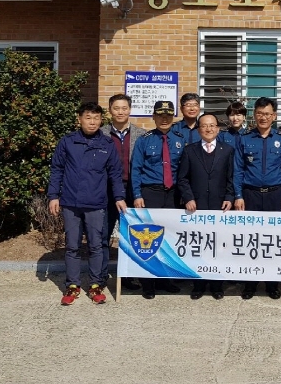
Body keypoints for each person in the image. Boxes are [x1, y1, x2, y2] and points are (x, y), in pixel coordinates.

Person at [48, 102, 126, 305]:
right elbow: (57, 169)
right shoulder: (68, 142)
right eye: (88, 118)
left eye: (96, 118)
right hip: (71, 203)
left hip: (96, 203)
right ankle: (72, 285)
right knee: (72, 246)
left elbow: (115, 173)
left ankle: (95, 285)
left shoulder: (107, 144)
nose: (92, 122)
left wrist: (119, 197)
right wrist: (53, 196)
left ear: (101, 120)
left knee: (96, 245)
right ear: (79, 119)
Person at [234, 97, 281, 300]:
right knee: (251, 239)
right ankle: (250, 283)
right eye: (259, 113)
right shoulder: (245, 139)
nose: (263, 117)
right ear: (254, 115)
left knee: (273, 240)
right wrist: (238, 195)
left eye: (267, 114)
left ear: (274, 116)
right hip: (250, 194)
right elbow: (238, 169)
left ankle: (272, 284)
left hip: (275, 195)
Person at [131, 101, 185, 299]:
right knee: (148, 238)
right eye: (160, 115)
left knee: (168, 238)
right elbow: (136, 169)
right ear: (153, 117)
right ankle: (148, 283)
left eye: (168, 115)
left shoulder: (180, 140)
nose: (164, 119)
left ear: (173, 117)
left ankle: (165, 280)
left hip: (173, 194)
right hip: (150, 193)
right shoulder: (144, 140)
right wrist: (137, 195)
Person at [177, 112, 235, 300]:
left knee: (218, 245)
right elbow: (182, 178)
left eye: (212, 125)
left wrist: (229, 197)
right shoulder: (189, 151)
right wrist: (188, 198)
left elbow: (231, 177)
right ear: (198, 129)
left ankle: (217, 285)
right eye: (204, 126)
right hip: (197, 206)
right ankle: (198, 285)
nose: (208, 129)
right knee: (199, 245)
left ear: (218, 129)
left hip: (220, 206)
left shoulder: (227, 150)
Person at [100, 94, 146, 291]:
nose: (120, 112)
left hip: (131, 189)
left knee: (130, 235)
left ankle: (129, 275)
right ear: (110, 110)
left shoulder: (141, 135)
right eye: (116, 108)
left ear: (130, 110)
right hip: (106, 190)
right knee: (103, 233)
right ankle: (100, 275)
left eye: (124, 108)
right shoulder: (101, 133)